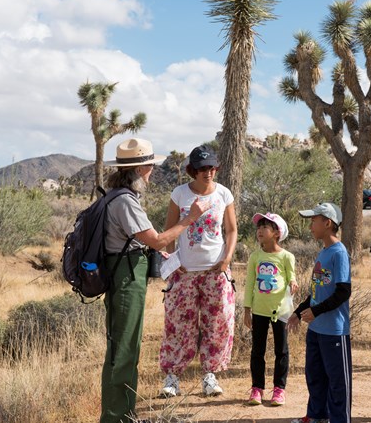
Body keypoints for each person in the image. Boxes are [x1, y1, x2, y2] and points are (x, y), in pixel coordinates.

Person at [101, 138, 209, 423]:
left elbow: (143, 241)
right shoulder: (125, 201)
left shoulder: (117, 196)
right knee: (124, 348)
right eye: (148, 166)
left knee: (123, 346)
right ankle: (117, 416)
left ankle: (122, 412)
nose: (150, 172)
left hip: (125, 273)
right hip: (125, 278)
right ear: (138, 169)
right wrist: (189, 220)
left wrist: (158, 250)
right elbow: (157, 237)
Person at [159, 144, 238, 397]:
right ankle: (172, 378)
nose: (208, 172)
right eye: (203, 168)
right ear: (193, 170)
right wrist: (172, 261)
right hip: (185, 273)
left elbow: (232, 230)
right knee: (178, 325)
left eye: (212, 167)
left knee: (217, 323)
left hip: (215, 272)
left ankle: (210, 376)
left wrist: (226, 259)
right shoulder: (180, 194)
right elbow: (169, 230)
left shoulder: (223, 194)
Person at [288, 203, 351, 423]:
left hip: (334, 330)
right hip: (316, 329)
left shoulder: (339, 252)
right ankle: (316, 416)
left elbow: (343, 292)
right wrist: (299, 311)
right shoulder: (323, 252)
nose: (311, 225)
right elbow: (316, 292)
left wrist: (315, 311)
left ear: (328, 223)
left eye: (314, 220)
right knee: (315, 376)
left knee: (337, 381)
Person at [244, 212, 298, 406]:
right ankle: (257, 388)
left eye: (265, 227)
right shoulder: (255, 257)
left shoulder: (286, 256)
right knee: (257, 350)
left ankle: (279, 389)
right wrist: (246, 310)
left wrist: (293, 282)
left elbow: (292, 276)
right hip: (259, 310)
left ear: (276, 233)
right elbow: (250, 283)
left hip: (281, 311)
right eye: (259, 227)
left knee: (281, 351)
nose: (260, 230)